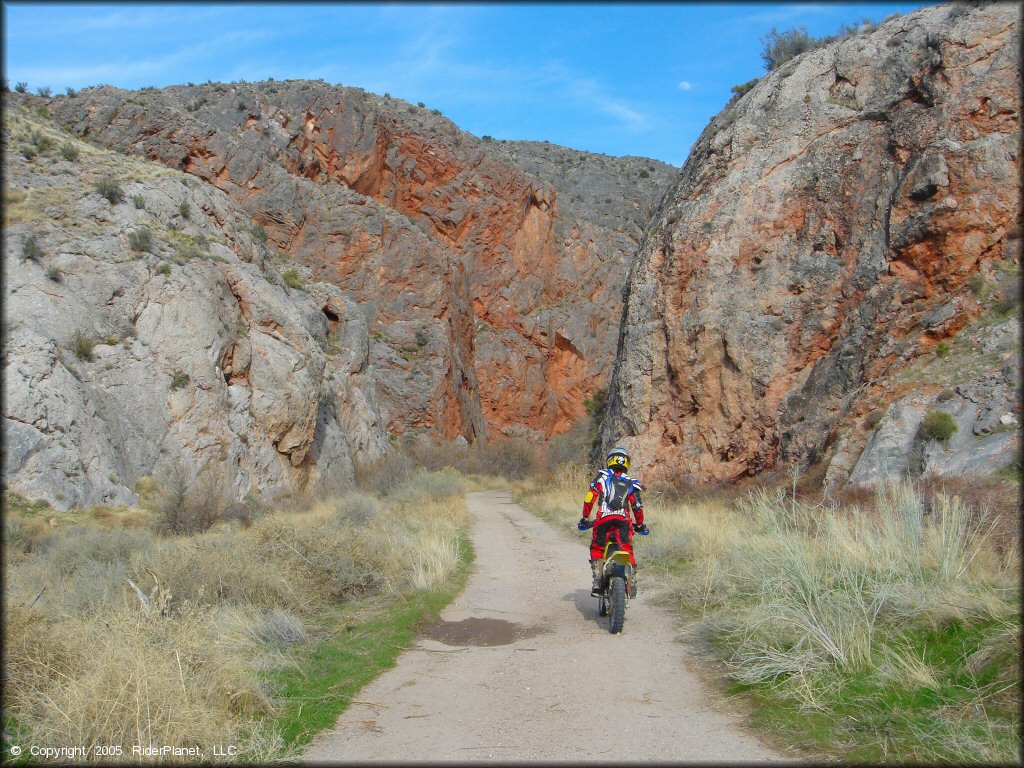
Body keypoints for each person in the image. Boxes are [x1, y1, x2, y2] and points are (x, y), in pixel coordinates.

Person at [578, 446, 647, 597]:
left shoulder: (602, 477)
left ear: (610, 460)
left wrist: (585, 517)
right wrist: (640, 524)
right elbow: (637, 506)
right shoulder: (631, 482)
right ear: (626, 463)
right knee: (627, 549)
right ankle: (632, 581)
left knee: (597, 547)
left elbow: (589, 498)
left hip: (603, 519)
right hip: (623, 521)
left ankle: (597, 579)